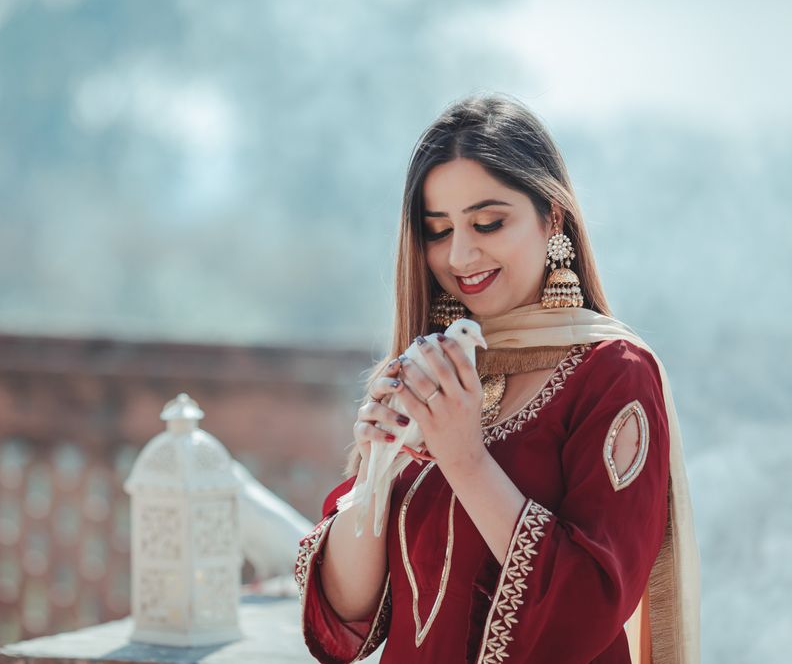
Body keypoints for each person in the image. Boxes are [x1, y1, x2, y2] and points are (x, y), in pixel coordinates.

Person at [294, 93, 700, 663]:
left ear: (552, 215)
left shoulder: (613, 375)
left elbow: (589, 608)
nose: (460, 255)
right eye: (438, 230)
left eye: (488, 222)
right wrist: (379, 472)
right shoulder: (426, 370)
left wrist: (463, 458)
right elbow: (348, 610)